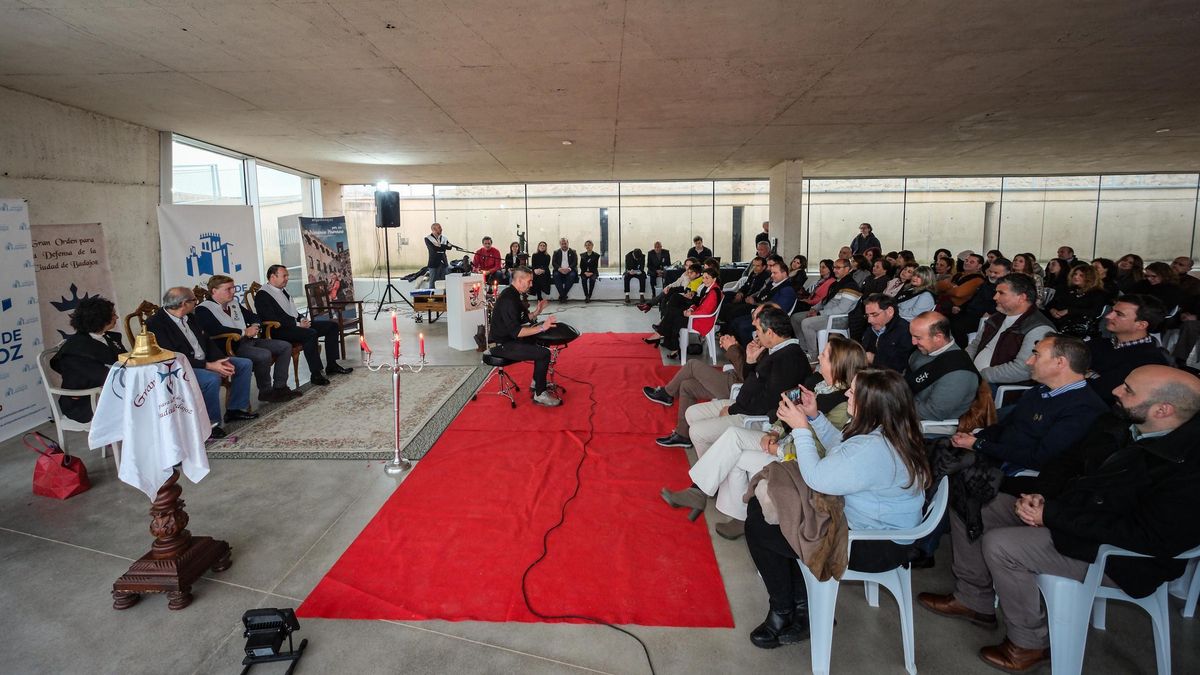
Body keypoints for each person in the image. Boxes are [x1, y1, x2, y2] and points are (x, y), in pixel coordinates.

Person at [918, 365, 1200, 672]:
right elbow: (1065, 466)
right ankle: (974, 599)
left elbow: (1152, 537)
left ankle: (1028, 644)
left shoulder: (1187, 466)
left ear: (1163, 409)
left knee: (1002, 544)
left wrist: (1052, 514)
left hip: (1120, 556)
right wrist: (1041, 496)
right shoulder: (1117, 423)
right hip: (1073, 516)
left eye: (1129, 390)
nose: (1116, 390)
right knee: (975, 498)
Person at [743, 368, 932, 648]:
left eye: (853, 392)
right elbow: (842, 452)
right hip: (882, 532)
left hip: (873, 546)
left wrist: (802, 430)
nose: (846, 394)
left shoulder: (874, 448)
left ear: (873, 405)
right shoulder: (892, 433)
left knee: (760, 525)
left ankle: (784, 609)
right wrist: (815, 417)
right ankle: (802, 604)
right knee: (773, 515)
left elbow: (819, 477)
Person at [661, 335, 866, 540]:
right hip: (782, 438)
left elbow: (822, 448)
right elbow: (787, 409)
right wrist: (775, 431)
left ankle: (718, 503)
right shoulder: (818, 383)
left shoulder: (842, 405)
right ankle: (705, 494)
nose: (818, 357)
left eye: (824, 355)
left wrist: (779, 449)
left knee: (736, 452)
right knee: (732, 438)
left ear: (838, 365)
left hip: (798, 458)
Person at [948, 333, 1107, 476]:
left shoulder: (1084, 409)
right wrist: (974, 438)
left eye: (1036, 356)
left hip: (1015, 473)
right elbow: (1005, 427)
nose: (1029, 362)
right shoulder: (1038, 391)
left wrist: (979, 444)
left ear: (1060, 363)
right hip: (995, 455)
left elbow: (1039, 458)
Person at [657, 307, 809, 453]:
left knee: (697, 432)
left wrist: (732, 410)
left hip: (753, 414)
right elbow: (752, 380)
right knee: (691, 412)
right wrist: (750, 361)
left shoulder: (788, 359)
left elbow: (768, 401)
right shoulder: (775, 349)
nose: (755, 335)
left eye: (757, 330)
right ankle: (711, 459)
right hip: (743, 401)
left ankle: (708, 474)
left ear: (769, 332)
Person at [147, 287, 256, 438]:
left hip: (205, 359)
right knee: (211, 379)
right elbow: (172, 357)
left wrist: (220, 360)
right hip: (180, 368)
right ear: (184, 303)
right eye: (194, 301)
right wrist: (209, 366)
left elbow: (207, 341)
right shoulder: (156, 324)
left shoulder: (190, 316)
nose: (196, 304)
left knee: (243, 364)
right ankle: (210, 424)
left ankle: (235, 410)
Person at [197, 275, 298, 403]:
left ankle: (280, 387)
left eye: (233, 288)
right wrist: (244, 331)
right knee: (263, 354)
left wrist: (255, 325)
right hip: (230, 346)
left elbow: (253, 316)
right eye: (228, 289)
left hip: (249, 341)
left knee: (285, 346)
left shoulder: (233, 303)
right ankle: (266, 392)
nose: (233, 291)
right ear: (214, 291)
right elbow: (214, 330)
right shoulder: (203, 309)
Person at [255, 264, 353, 386]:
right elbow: (271, 318)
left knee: (332, 326)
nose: (287, 278)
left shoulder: (282, 290)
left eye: (287, 276)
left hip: (293, 325)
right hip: (277, 330)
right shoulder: (263, 294)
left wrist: (301, 319)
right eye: (284, 276)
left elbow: (292, 311)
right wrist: (297, 323)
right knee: (310, 334)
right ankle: (316, 373)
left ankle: (332, 365)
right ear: (272, 277)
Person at [488, 266, 561, 407]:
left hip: (510, 338)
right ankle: (540, 394)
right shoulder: (508, 299)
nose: (531, 284)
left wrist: (537, 312)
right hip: (501, 345)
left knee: (541, 338)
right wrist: (542, 327)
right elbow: (517, 332)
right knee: (544, 354)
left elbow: (522, 318)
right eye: (529, 281)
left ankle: (536, 381)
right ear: (520, 280)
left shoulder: (514, 294)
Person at [966, 274, 1055, 386]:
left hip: (998, 386)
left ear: (1021, 297)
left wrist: (978, 376)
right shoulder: (996, 318)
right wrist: (964, 367)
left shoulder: (1038, 328)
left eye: (1001, 293)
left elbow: (1023, 370)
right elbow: (975, 345)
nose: (995, 297)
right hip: (974, 378)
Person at [49, 296, 126, 423]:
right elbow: (104, 376)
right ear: (100, 319)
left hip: (106, 392)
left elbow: (124, 362)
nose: (117, 317)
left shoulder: (110, 338)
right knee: (139, 401)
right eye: (113, 315)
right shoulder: (76, 350)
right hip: (84, 403)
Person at [1088, 295, 1170, 405]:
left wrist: (1085, 373)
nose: (1109, 316)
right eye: (1112, 311)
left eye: (1119, 314)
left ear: (1141, 325)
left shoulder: (1150, 362)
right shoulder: (1098, 343)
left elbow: (1104, 392)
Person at [906, 311, 980, 422]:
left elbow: (934, 413)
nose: (913, 342)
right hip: (908, 406)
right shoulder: (924, 350)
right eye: (911, 336)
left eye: (918, 338)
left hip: (928, 426)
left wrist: (894, 405)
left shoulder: (958, 374)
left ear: (938, 337)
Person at [648, 267, 721, 360]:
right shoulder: (711, 289)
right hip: (698, 316)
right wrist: (691, 309)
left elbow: (706, 311)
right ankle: (669, 343)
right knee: (674, 312)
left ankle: (663, 337)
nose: (704, 280)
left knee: (673, 313)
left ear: (714, 279)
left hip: (701, 321)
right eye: (704, 278)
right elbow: (700, 305)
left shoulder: (713, 292)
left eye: (707, 278)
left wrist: (691, 314)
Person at [795, 258, 861, 358]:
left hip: (838, 319)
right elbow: (825, 300)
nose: (834, 270)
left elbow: (842, 309)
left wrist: (819, 313)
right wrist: (814, 309)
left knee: (806, 323)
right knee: (795, 318)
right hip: (826, 314)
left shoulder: (851, 286)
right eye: (834, 267)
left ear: (847, 269)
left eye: (838, 268)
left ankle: (813, 356)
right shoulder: (837, 283)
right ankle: (804, 348)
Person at [727, 256, 798, 344]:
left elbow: (780, 309)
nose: (772, 276)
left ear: (784, 274)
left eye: (775, 273)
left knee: (742, 326)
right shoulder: (774, 283)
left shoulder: (787, 290)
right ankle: (738, 349)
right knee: (735, 321)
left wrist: (759, 308)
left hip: (770, 319)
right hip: (762, 313)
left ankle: (751, 352)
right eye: (772, 273)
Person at [950, 256, 1008, 346]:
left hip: (985, 317)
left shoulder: (1008, 288)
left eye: (996, 273)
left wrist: (990, 313)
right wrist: (961, 307)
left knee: (957, 326)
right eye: (990, 271)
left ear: (1007, 273)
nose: (992, 275)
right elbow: (974, 298)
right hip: (970, 313)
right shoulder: (986, 284)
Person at [1045, 263, 1109, 336]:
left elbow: (1095, 312)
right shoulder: (1065, 289)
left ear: (1089, 278)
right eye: (1075, 274)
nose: (1076, 277)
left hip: (1080, 327)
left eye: (1081, 275)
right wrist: (1052, 310)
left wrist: (1069, 311)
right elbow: (1051, 304)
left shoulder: (1097, 293)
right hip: (1058, 322)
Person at [861, 294, 913, 372]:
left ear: (890, 311)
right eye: (867, 315)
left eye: (874, 314)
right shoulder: (870, 329)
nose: (869, 320)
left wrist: (874, 359)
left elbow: (902, 365)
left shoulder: (905, 331)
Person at [423, 222, 453, 289]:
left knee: (444, 282)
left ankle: (444, 297)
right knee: (433, 282)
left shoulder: (444, 238)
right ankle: (432, 297)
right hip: (433, 263)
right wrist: (444, 246)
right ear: (434, 229)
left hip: (444, 263)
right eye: (439, 227)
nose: (441, 229)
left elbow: (450, 247)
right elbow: (434, 249)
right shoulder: (428, 239)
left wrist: (440, 246)